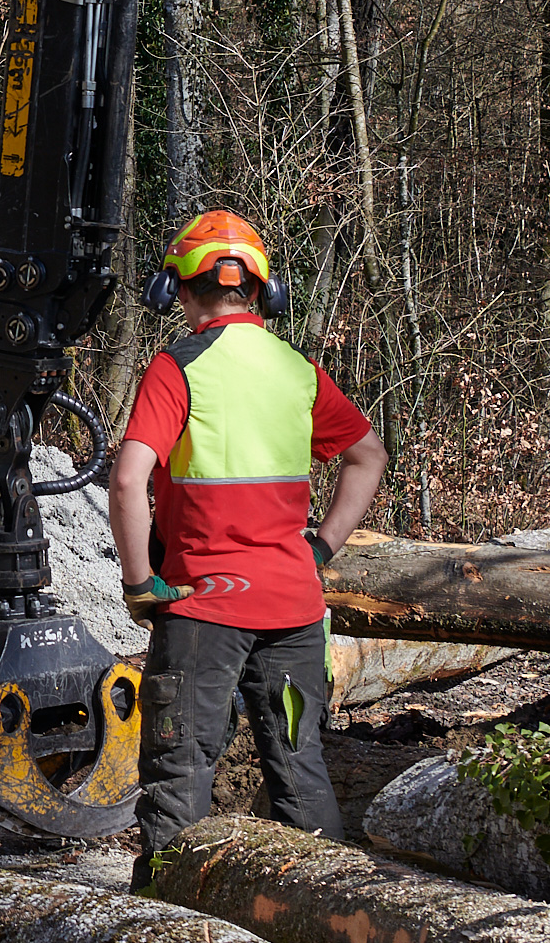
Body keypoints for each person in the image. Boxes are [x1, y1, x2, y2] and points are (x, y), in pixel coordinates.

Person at [108, 210, 387, 889]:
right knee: (299, 764)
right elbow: (368, 456)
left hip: (204, 607)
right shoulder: (298, 370)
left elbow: (127, 477)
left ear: (179, 289)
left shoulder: (180, 366)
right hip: (294, 606)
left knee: (180, 773)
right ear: (265, 291)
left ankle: (163, 941)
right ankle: (335, 922)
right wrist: (319, 547)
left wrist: (142, 582)